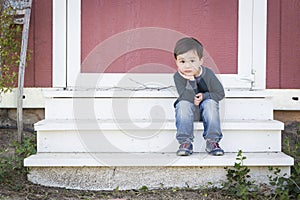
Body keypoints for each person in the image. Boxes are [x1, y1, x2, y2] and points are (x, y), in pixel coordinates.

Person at [173, 37, 225, 156]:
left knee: (211, 103)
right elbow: (184, 96)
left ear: (201, 61)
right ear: (176, 62)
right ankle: (185, 142)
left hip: (207, 111)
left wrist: (205, 96)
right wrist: (190, 80)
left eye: (192, 61)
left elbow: (220, 93)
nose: (187, 66)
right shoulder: (178, 76)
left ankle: (212, 141)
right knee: (182, 104)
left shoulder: (208, 74)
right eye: (182, 61)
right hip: (189, 111)